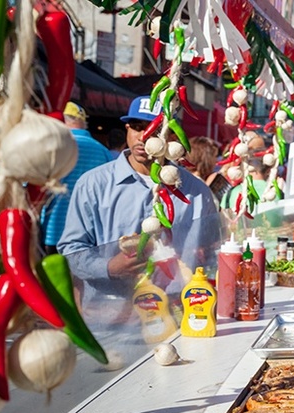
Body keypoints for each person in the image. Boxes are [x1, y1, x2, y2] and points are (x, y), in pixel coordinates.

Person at [57, 95, 220, 312]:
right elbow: (71, 249)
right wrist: (108, 267)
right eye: (136, 127)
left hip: (178, 311)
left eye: (155, 129)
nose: (143, 137)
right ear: (126, 129)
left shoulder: (196, 192)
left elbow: (211, 254)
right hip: (110, 313)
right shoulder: (93, 184)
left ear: (171, 135)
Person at [40, 102, 114, 254]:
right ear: (83, 122)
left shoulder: (50, 147)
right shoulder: (102, 151)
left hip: (51, 231)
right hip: (90, 233)